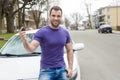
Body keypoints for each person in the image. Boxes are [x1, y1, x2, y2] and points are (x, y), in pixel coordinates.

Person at [19, 6, 73, 80]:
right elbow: (30, 49)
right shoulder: (42, 32)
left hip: (62, 69)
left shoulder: (65, 33)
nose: (56, 18)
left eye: (58, 16)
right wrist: (25, 41)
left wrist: (70, 68)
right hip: (46, 71)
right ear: (49, 16)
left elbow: (70, 50)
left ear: (61, 17)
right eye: (53, 16)